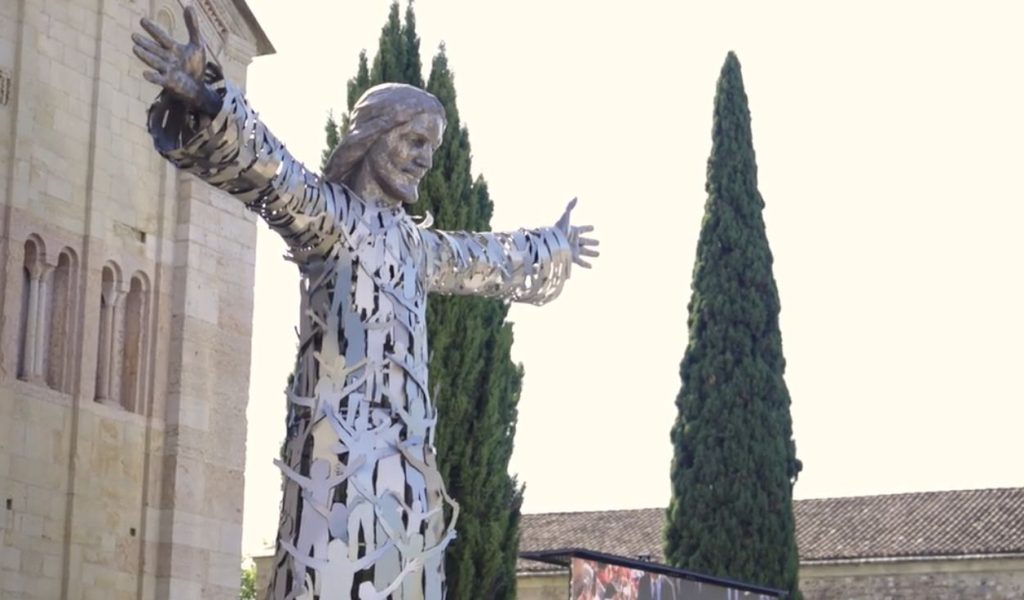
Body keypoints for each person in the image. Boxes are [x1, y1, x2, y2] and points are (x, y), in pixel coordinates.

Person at [131, 6, 598, 600]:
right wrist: (208, 96)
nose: (426, 157)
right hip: (333, 473)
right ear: (372, 134)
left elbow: (485, 259)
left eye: (433, 145)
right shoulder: (328, 218)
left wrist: (552, 243)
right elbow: (270, 169)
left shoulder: (416, 247)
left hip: (406, 480)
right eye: (414, 139)